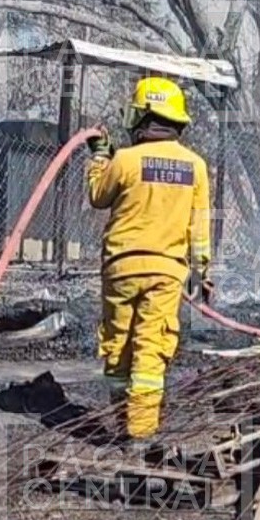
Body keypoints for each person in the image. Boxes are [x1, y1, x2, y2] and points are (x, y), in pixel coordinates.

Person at [86, 77, 211, 442]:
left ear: (141, 116)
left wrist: (99, 157)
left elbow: (97, 196)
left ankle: (122, 422)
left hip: (121, 267)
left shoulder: (123, 159)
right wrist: (202, 272)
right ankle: (139, 435)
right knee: (150, 349)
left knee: (118, 344)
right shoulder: (196, 166)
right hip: (166, 273)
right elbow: (200, 226)